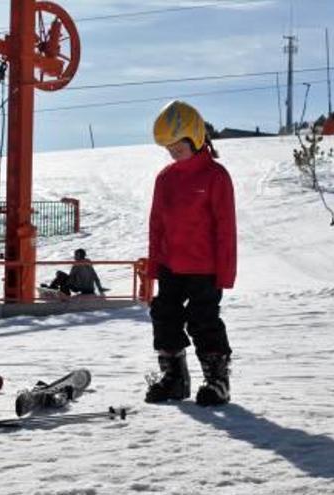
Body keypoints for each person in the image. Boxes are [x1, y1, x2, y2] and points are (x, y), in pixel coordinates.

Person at [144, 100, 237, 407]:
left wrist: (225, 272)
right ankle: (174, 380)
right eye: (168, 147)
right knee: (164, 316)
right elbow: (157, 224)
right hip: (171, 265)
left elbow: (226, 229)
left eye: (178, 145)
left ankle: (217, 381)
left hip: (205, 268)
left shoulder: (215, 177)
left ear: (196, 137)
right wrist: (154, 266)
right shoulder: (165, 178)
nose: (173, 152)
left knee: (204, 321)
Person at [42, 248, 107, 296]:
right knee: (63, 278)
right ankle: (54, 288)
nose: (74, 256)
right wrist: (99, 288)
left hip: (80, 287)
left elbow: (71, 278)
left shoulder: (77, 264)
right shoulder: (88, 264)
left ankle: (56, 290)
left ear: (79, 256)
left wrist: (62, 285)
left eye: (75, 255)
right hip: (90, 289)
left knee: (60, 275)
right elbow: (95, 277)